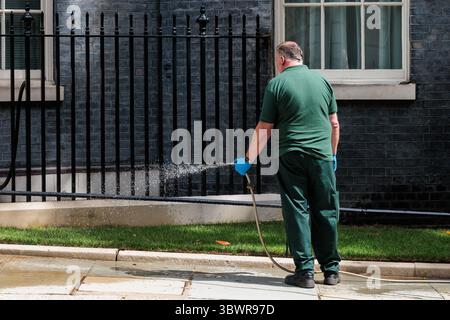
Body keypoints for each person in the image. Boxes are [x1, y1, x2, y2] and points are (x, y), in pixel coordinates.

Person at [235, 41, 341, 289]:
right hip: (323, 157)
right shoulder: (323, 82)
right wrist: (333, 154)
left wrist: (248, 159)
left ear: (282, 59)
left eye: (276, 60)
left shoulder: (277, 84)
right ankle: (331, 271)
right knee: (326, 211)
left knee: (297, 211)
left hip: (292, 156)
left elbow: (265, 128)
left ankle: (305, 273)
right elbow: (335, 124)